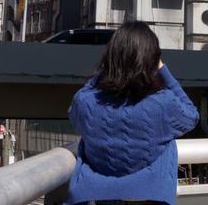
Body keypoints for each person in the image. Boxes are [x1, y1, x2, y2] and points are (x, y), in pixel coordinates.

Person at [65, 21, 199, 205]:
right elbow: (191, 115)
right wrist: (163, 71)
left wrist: (106, 70)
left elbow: (74, 114)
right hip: (152, 195)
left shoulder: (86, 102)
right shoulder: (163, 104)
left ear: (110, 57)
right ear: (152, 60)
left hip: (99, 195)